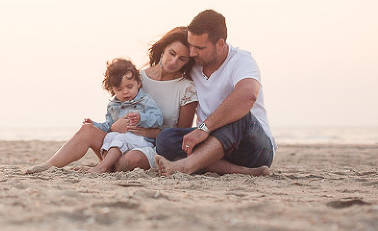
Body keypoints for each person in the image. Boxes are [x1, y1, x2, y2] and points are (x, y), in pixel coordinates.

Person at [25, 27, 198, 174]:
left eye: (182, 58)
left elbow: (179, 136)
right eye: (172, 53)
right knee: (87, 130)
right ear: (163, 48)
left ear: (188, 61)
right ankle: (49, 165)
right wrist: (114, 127)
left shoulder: (187, 88)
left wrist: (149, 132)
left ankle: (104, 167)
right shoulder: (137, 78)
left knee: (131, 159)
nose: (174, 61)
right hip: (118, 140)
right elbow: (116, 112)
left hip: (149, 148)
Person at [155, 10, 276, 177]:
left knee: (238, 113)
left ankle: (186, 166)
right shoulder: (194, 63)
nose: (192, 52)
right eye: (191, 45)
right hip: (212, 145)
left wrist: (204, 128)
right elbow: (166, 71)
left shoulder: (241, 61)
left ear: (220, 44)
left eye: (199, 47)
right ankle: (244, 172)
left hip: (252, 146)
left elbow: (248, 96)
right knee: (165, 139)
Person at [87, 59, 163, 173]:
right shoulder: (113, 106)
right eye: (119, 89)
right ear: (112, 90)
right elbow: (109, 125)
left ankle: (102, 167)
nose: (125, 92)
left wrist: (141, 118)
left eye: (129, 86)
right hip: (122, 144)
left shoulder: (145, 101)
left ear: (138, 83)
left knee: (120, 137)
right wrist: (94, 125)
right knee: (109, 137)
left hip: (141, 142)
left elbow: (158, 119)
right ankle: (106, 165)